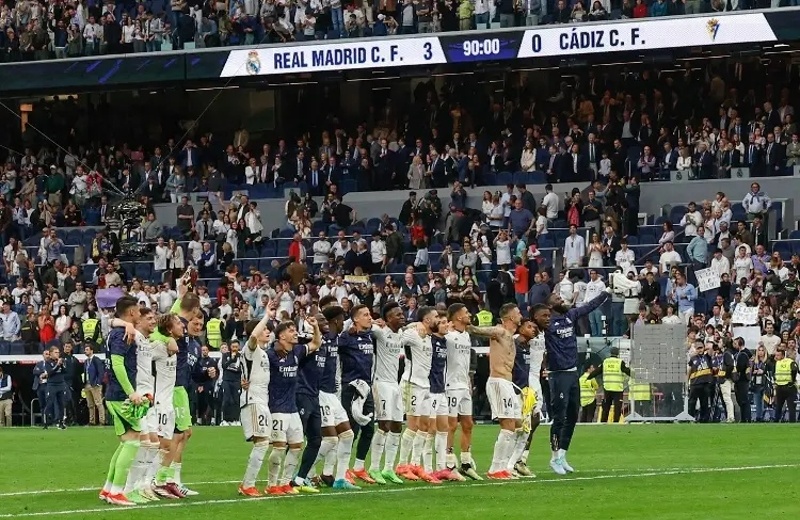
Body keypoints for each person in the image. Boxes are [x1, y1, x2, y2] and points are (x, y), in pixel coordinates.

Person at [534, 282, 611, 475]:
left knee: (572, 417)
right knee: (559, 418)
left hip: (573, 372)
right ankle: (553, 458)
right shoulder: (547, 324)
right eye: (558, 299)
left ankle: (562, 455)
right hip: (558, 375)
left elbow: (589, 306)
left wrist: (606, 292)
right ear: (551, 306)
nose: (563, 300)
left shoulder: (570, 315)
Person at [467, 303, 524, 480]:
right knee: (507, 427)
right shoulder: (500, 331)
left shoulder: (510, 336)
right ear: (510, 317)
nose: (521, 315)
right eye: (518, 313)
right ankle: (495, 468)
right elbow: (480, 330)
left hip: (507, 383)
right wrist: (469, 326)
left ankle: (502, 467)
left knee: (516, 426)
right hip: (498, 382)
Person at [265, 318, 322, 495]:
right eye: (291, 331)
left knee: (296, 446)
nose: (295, 333)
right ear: (281, 336)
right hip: (276, 408)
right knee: (279, 447)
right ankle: (271, 484)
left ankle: (285, 483)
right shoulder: (270, 355)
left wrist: (316, 327)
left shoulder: (297, 351)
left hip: (292, 408)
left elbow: (316, 343)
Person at [99, 295, 143, 506]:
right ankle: (117, 491)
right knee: (135, 439)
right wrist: (131, 392)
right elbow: (118, 365)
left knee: (127, 440)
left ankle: (108, 488)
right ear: (130, 312)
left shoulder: (117, 330)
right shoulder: (121, 335)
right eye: (137, 310)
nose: (139, 313)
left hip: (113, 393)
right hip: (120, 394)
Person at [314, 305, 360, 490]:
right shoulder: (319, 340)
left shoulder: (335, 339)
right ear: (335, 321)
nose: (344, 322)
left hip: (332, 394)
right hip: (320, 394)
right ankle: (304, 472)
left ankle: (337, 477)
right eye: (342, 319)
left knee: (347, 435)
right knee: (330, 440)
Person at [396, 306, 441, 484]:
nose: (439, 319)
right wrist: (412, 325)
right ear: (427, 320)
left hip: (425, 386)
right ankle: (401, 465)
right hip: (411, 383)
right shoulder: (413, 334)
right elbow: (398, 337)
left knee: (425, 425)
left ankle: (415, 464)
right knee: (413, 425)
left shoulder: (429, 337)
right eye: (436, 317)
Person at [368, 302, 408, 485]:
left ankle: (388, 468)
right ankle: (374, 467)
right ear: (388, 318)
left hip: (395, 384)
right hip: (381, 383)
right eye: (398, 314)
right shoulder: (379, 332)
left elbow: (415, 326)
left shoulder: (400, 333)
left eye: (402, 313)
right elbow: (365, 326)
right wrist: (374, 322)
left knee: (398, 425)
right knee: (384, 425)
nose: (402, 316)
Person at [237, 308, 275, 497]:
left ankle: (246, 483)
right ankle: (248, 485)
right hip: (253, 400)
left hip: (262, 400)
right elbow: (252, 336)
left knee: (263, 442)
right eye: (265, 329)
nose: (268, 331)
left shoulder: (264, 353)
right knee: (262, 442)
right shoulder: (250, 349)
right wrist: (267, 315)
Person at [338, 305, 377, 486]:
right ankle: (342, 469)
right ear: (355, 319)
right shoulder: (347, 337)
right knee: (350, 430)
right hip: (351, 387)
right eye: (365, 315)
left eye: (369, 314)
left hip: (366, 388)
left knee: (369, 429)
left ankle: (359, 467)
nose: (370, 317)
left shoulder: (370, 336)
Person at [444, 303, 480, 480]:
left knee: (468, 424)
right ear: (458, 317)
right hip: (450, 386)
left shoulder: (466, 335)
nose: (469, 315)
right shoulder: (448, 336)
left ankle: (466, 462)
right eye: (466, 312)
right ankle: (449, 463)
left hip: (464, 386)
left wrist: (469, 382)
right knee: (451, 425)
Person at [587, 346, 631, 423]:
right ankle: (615, 422)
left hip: (607, 388)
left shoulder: (605, 361)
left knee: (606, 407)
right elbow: (627, 371)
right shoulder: (620, 362)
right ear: (618, 354)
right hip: (617, 389)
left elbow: (597, 371)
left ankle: (603, 422)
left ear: (610, 353)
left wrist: (588, 377)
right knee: (617, 408)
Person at [687, 341, 713, 423]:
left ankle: (703, 419)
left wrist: (703, 348)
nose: (700, 350)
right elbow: (689, 370)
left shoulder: (707, 356)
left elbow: (711, 349)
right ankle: (690, 418)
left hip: (705, 383)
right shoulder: (693, 358)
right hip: (695, 383)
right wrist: (687, 381)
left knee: (704, 402)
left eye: (701, 348)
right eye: (698, 348)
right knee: (692, 402)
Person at [45, 346, 68, 430]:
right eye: (55, 352)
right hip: (52, 385)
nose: (57, 354)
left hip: (61, 384)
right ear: (50, 354)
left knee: (61, 404)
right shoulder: (48, 362)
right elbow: (50, 373)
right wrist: (57, 366)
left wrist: (61, 365)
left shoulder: (62, 361)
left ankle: (61, 422)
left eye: (58, 352)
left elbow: (65, 371)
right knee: (49, 403)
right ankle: (46, 423)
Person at [773, 347, 799, 423]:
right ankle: (791, 422)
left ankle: (776, 421)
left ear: (782, 355)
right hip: (787, 386)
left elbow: (794, 370)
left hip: (783, 387)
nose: (776, 357)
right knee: (790, 407)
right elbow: (794, 370)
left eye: (778, 355)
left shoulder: (782, 362)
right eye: (776, 355)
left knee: (779, 406)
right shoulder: (789, 362)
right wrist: (793, 380)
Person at [83, 344, 107, 426]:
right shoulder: (86, 361)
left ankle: (102, 421)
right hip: (87, 384)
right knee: (90, 404)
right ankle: (92, 421)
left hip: (95, 385)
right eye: (85, 350)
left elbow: (101, 372)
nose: (85, 351)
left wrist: (98, 382)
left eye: (87, 349)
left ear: (91, 350)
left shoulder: (96, 360)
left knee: (98, 403)